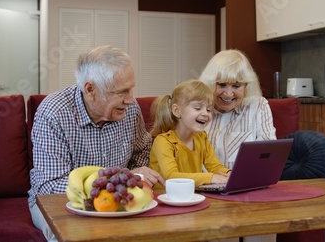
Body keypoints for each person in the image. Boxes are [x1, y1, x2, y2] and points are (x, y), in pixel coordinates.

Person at [28, 45, 164, 241]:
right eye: (122, 92)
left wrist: (135, 178)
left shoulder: (130, 110)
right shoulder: (54, 113)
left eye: (131, 88)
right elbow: (50, 186)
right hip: (61, 202)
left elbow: (142, 148)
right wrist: (121, 179)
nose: (131, 99)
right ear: (90, 89)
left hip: (116, 197)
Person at [199, 49, 277, 242]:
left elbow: (270, 152)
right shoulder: (198, 109)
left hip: (252, 194)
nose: (228, 93)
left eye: (236, 85)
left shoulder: (259, 105)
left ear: (246, 87)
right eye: (222, 84)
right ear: (210, 84)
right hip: (208, 193)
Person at [149, 79, 231, 187]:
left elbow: (215, 167)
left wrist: (229, 174)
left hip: (191, 195)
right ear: (177, 111)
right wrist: (210, 178)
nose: (205, 114)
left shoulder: (202, 138)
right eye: (198, 108)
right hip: (164, 197)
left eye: (209, 109)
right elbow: (171, 176)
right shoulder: (163, 141)